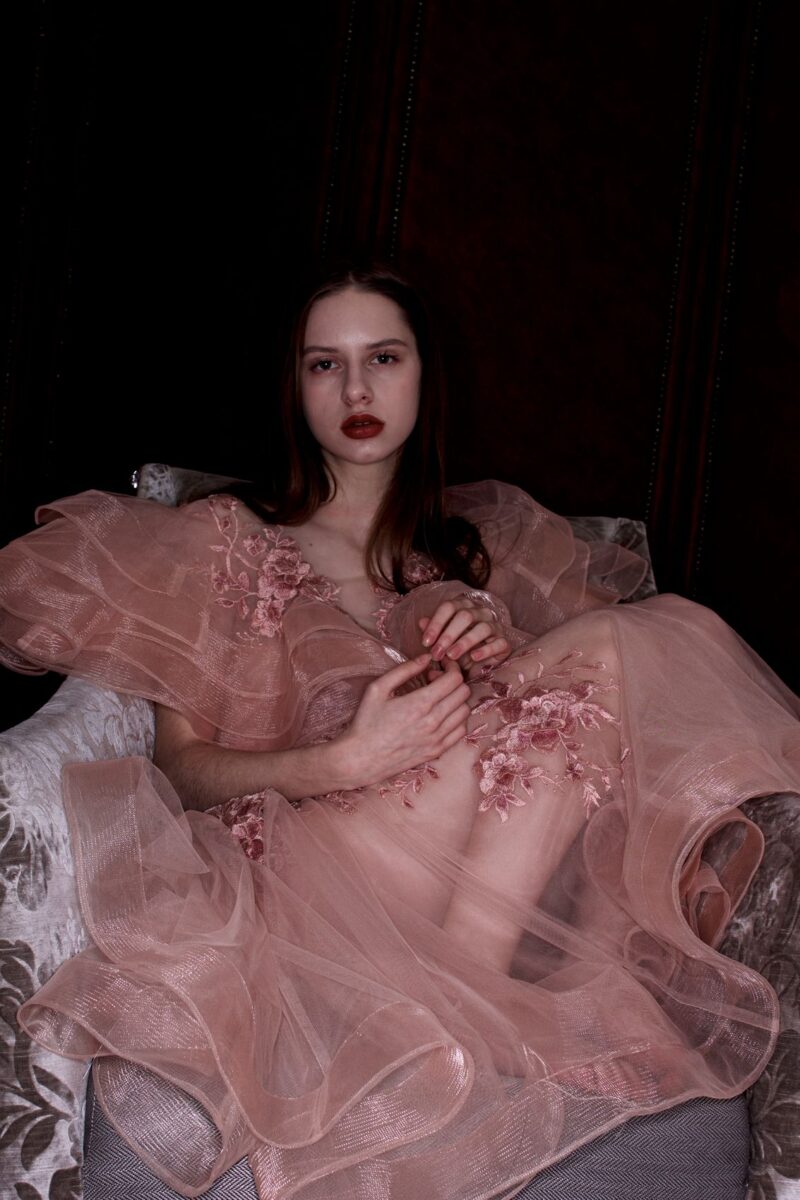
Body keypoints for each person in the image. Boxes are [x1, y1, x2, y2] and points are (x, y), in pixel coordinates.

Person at [1, 264, 799, 1200]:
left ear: (424, 374)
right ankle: (467, 1007)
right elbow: (178, 769)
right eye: (324, 364)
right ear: (294, 386)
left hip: (452, 880)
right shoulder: (219, 538)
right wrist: (344, 758)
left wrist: (505, 652)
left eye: (383, 358)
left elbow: (598, 745)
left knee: (636, 644)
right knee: (625, 644)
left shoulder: (480, 554)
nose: (356, 390)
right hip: (309, 866)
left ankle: (459, 998)